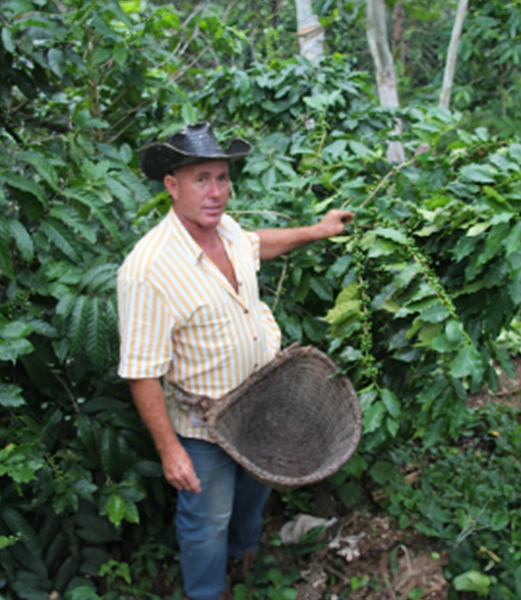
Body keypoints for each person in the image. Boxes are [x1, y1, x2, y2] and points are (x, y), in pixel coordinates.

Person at [116, 122, 353, 600]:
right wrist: (170, 450)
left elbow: (255, 244)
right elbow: (142, 372)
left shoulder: (223, 227)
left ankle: (244, 552)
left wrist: (318, 230)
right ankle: (208, 591)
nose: (216, 192)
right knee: (207, 518)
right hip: (204, 426)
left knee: (255, 492)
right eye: (201, 178)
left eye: (222, 178)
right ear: (172, 185)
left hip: (261, 403)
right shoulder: (147, 271)